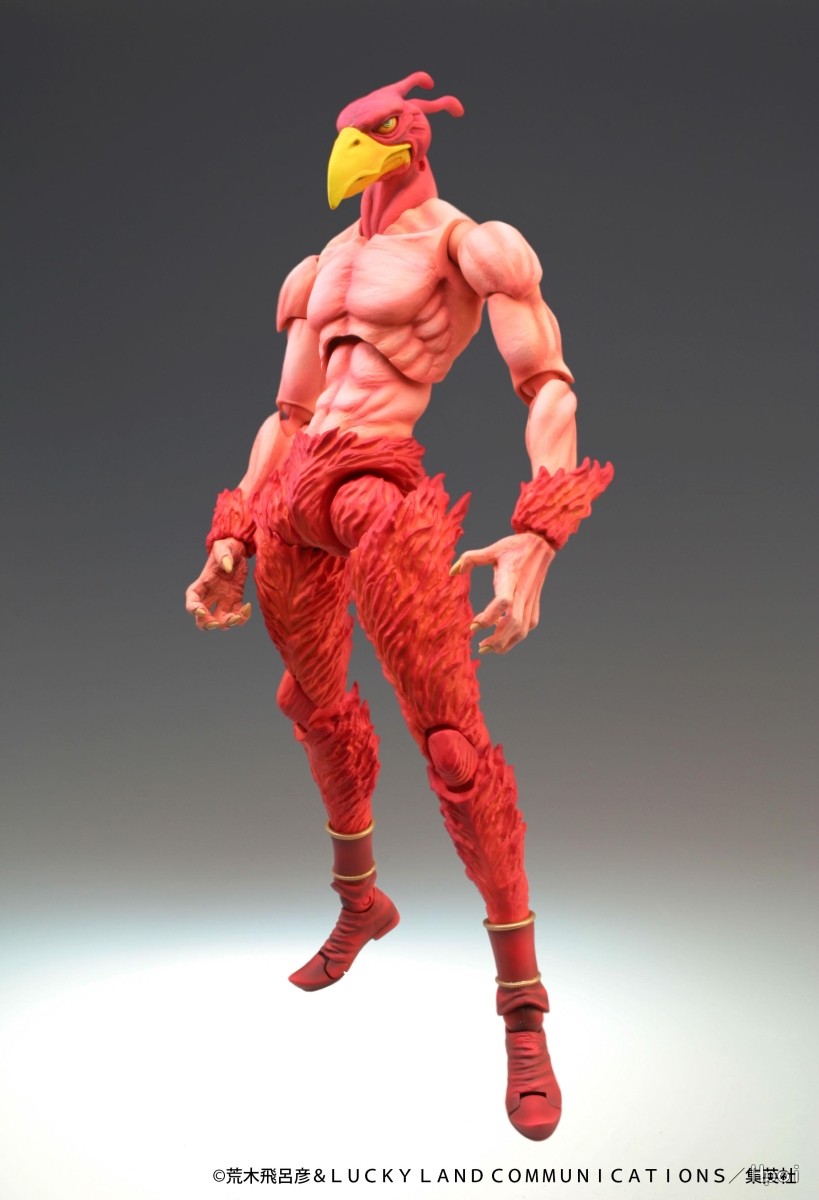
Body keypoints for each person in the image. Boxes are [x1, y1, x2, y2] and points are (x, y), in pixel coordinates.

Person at [185, 71, 612, 1141]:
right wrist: (233, 529)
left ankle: (523, 1011)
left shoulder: (473, 246)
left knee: (455, 751)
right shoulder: (319, 266)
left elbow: (547, 381)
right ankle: (361, 903)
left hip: (378, 489)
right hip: (295, 496)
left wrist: (539, 529)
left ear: (412, 140)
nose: (355, 153)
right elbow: (288, 412)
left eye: (374, 134)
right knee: (313, 706)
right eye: (349, 135)